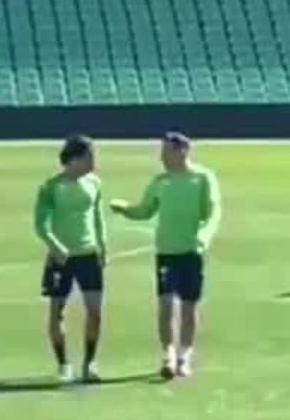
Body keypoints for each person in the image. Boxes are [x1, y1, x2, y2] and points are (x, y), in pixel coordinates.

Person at [110, 133, 221, 381]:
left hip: (191, 251)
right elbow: (145, 210)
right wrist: (125, 209)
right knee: (166, 303)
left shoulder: (202, 179)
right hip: (166, 251)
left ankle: (185, 356)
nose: (161, 157)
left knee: (189, 306)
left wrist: (203, 237)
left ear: (182, 151)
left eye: (166, 152)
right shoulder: (160, 181)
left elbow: (212, 212)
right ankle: (168, 354)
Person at [35, 136, 108, 384]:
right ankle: (63, 364)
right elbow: (41, 224)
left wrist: (103, 246)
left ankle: (90, 363)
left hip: (89, 255)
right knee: (57, 313)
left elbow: (98, 218)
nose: (94, 162)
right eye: (90, 157)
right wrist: (56, 246)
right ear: (75, 158)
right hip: (61, 259)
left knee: (95, 312)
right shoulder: (51, 187)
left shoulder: (95, 184)